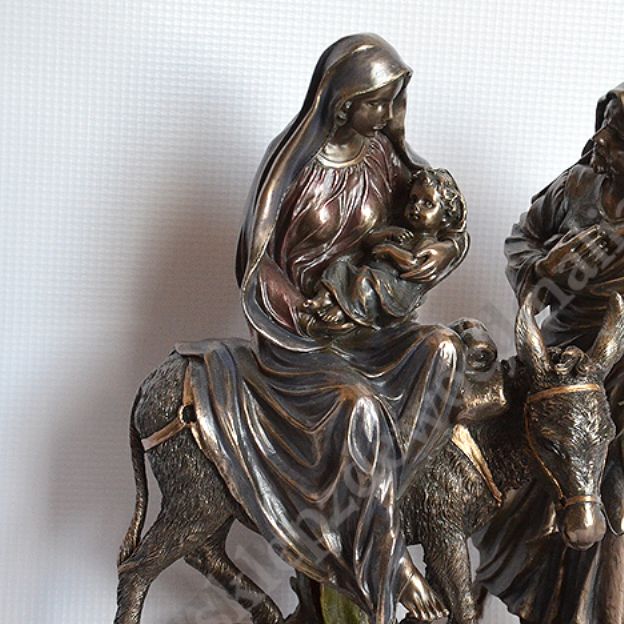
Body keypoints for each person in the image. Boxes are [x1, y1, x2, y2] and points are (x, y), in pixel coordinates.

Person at [186, 34, 469, 624]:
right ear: (343, 104)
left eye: (393, 101)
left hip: (369, 331)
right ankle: (385, 561)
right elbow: (256, 265)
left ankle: (374, 503)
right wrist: (306, 312)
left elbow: (439, 216)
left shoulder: (385, 157)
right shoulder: (292, 165)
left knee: (444, 349)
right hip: (301, 339)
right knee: (356, 406)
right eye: (378, 102)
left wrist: (447, 250)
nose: (389, 114)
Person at [474, 84, 624, 623]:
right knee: (510, 456)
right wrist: (545, 268)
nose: (602, 140)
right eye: (604, 125)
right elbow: (523, 240)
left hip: (619, 370)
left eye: (619, 137)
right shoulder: (576, 186)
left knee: (611, 483)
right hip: (560, 357)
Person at [302, 167, 467, 329]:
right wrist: (385, 234)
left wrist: (390, 251)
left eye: (427, 203)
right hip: (370, 274)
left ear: (445, 217)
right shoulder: (402, 231)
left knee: (364, 284)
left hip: (391, 290)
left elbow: (413, 263)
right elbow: (369, 242)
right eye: (413, 200)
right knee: (339, 267)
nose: (416, 206)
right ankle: (324, 297)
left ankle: (346, 311)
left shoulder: (428, 244)